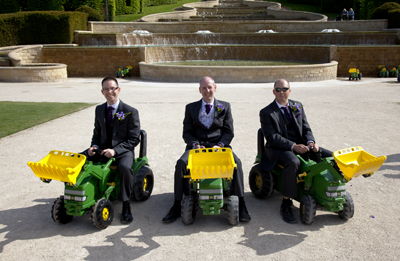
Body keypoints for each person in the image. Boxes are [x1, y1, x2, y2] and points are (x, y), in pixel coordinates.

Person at [162, 76, 251, 223]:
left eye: (210, 87)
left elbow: (229, 132)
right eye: (204, 88)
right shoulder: (190, 108)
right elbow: (187, 132)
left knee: (237, 163)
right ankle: (176, 205)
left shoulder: (225, 106)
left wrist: (221, 145)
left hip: (219, 146)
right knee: (181, 164)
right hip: (198, 146)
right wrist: (195, 144)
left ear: (215, 88)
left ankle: (242, 205)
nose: (207, 91)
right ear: (199, 90)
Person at [259, 79, 332, 224]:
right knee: (293, 162)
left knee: (331, 156)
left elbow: (306, 128)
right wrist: (293, 146)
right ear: (274, 92)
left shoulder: (297, 106)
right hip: (278, 148)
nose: (281, 92)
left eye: (284, 89)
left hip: (302, 145)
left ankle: (329, 191)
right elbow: (272, 137)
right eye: (278, 90)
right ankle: (286, 203)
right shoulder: (266, 112)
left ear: (289, 91)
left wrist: (311, 142)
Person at [87, 76, 141, 224]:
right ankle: (84, 196)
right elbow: (96, 133)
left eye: (113, 88)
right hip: (102, 149)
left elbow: (134, 139)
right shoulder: (99, 110)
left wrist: (115, 151)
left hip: (123, 151)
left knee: (124, 168)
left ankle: (126, 205)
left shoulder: (130, 111)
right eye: (106, 89)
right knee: (82, 158)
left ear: (119, 90)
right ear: (102, 92)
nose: (110, 91)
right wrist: (94, 146)